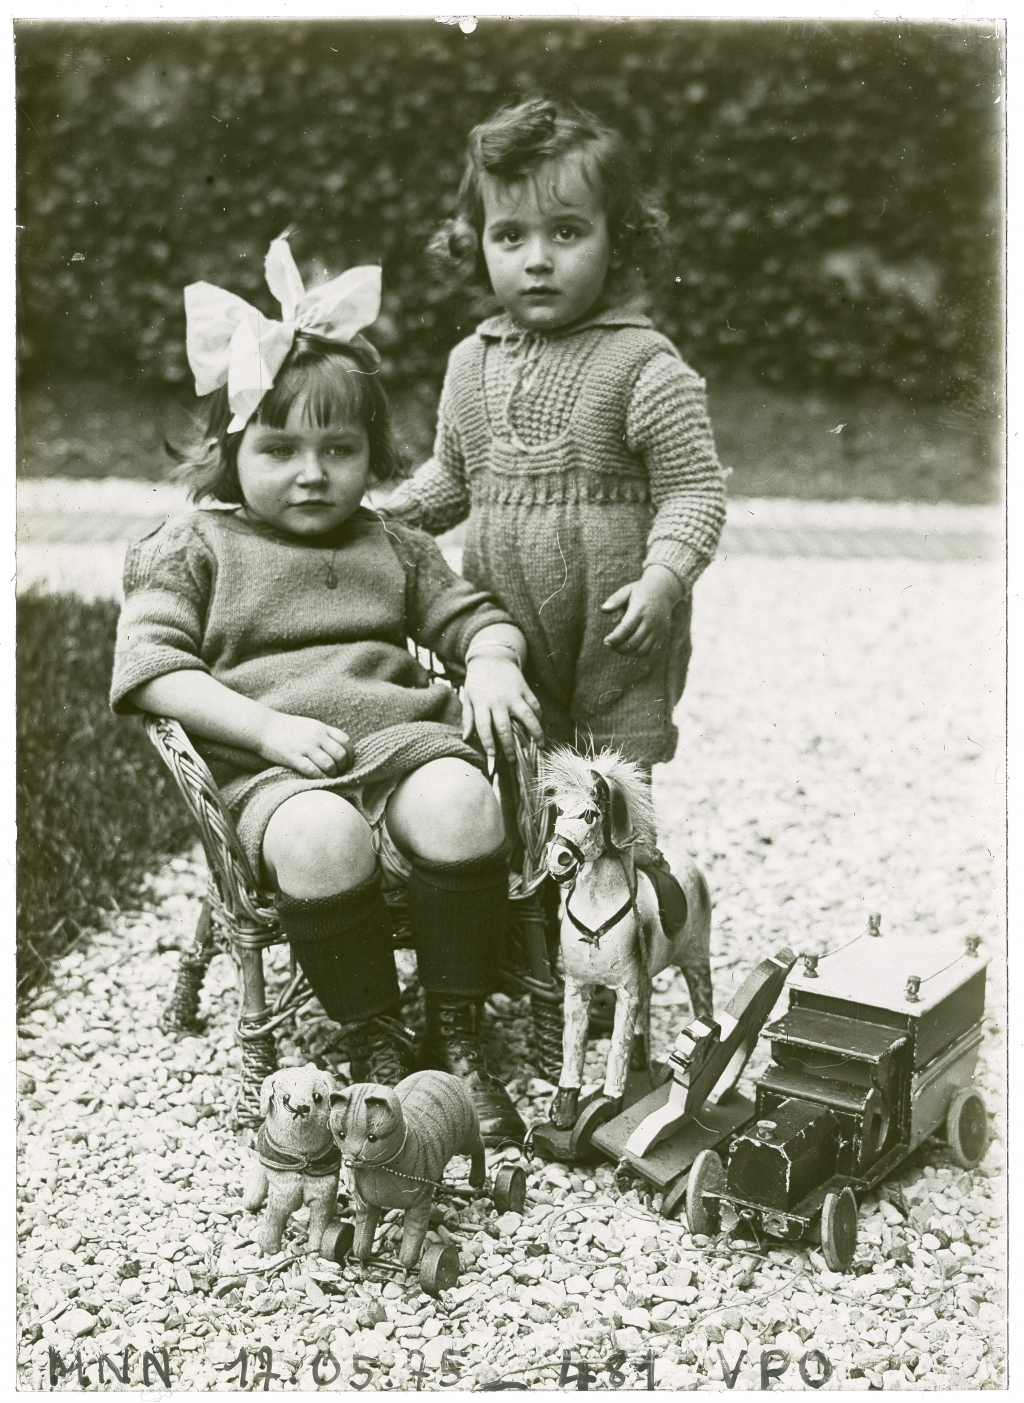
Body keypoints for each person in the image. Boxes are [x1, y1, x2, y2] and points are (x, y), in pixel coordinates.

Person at [110, 235, 544, 1145]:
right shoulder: (196, 545)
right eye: (280, 449)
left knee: (465, 801)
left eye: (339, 448)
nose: (313, 473)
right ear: (231, 451)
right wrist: (265, 729)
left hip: (402, 745)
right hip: (278, 775)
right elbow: (151, 667)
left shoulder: (392, 544)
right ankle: (373, 1028)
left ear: (371, 454)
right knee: (321, 838)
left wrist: (493, 660)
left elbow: (476, 618)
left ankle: (454, 1023)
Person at [382, 97, 727, 1019]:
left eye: (567, 232)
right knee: (515, 780)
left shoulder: (644, 364)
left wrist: (663, 577)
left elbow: (695, 490)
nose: (537, 258)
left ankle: (621, 954)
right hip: (510, 622)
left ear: (620, 239)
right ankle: (529, 945)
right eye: (511, 235)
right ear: (476, 245)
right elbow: (452, 479)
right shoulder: (470, 363)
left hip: (619, 630)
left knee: (610, 797)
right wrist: (385, 520)